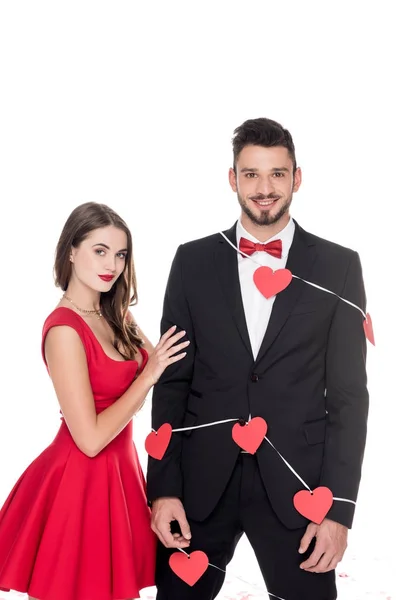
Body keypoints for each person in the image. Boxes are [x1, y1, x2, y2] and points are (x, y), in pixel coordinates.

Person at [147, 118, 369, 600]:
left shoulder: (340, 266)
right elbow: (172, 383)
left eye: (277, 174)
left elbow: (350, 400)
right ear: (232, 179)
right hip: (200, 486)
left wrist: (339, 512)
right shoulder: (191, 261)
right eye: (251, 174)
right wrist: (163, 490)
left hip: (299, 490)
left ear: (297, 178)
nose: (264, 189)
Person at [0, 202, 190, 600]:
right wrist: (149, 376)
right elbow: (89, 438)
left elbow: (165, 370)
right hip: (77, 480)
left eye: (120, 254)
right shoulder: (64, 330)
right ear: (71, 250)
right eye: (99, 250)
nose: (113, 265)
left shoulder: (115, 314)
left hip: (120, 475)